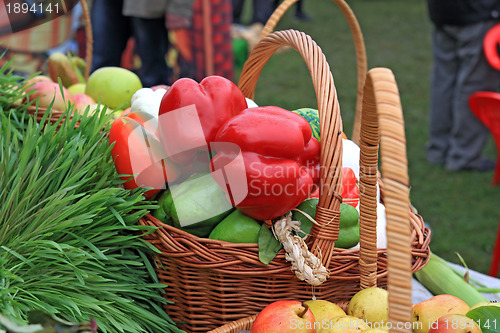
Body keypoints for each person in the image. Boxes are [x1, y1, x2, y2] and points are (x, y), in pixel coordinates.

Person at [426, 0, 500, 171]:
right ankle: (464, 156)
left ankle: (439, 150)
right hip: (481, 12)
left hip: (444, 11)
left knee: (443, 81)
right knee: (476, 85)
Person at [90, 0, 194, 87]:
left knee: (153, 75)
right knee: (100, 69)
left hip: (150, 5)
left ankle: (156, 110)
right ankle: (95, 110)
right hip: (107, 3)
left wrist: (180, 7)